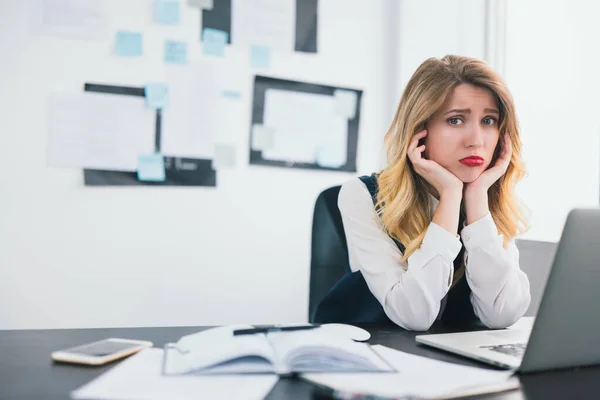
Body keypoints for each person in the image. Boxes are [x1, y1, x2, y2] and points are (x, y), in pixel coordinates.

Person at [314, 55, 531, 331]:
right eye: (455, 120)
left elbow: (502, 315)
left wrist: (476, 200)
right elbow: (415, 316)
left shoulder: (491, 200)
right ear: (419, 129)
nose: (476, 140)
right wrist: (451, 196)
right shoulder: (361, 195)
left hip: (451, 364)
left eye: (489, 121)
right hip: (368, 358)